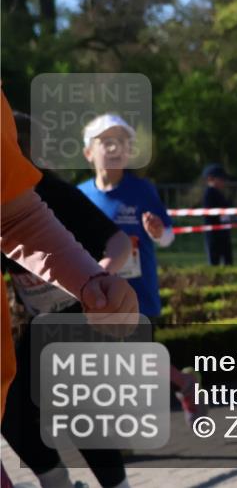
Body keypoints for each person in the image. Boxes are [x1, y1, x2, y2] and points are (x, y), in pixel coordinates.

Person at [0, 89, 138, 488]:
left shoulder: (57, 193)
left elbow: (115, 242)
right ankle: (55, 479)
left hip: (77, 317)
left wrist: (95, 281)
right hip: (38, 323)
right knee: (14, 410)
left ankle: (116, 484)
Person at [77, 113, 206, 425]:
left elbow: (168, 238)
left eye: (121, 142)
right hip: (98, 289)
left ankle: (176, 389)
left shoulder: (142, 190)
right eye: (106, 142)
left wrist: (158, 231)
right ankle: (184, 383)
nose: (114, 148)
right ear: (88, 152)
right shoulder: (80, 195)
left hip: (137, 287)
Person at [201, 163, 233, 266]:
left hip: (223, 231)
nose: (223, 182)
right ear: (211, 179)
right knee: (214, 259)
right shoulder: (209, 194)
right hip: (214, 233)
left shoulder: (219, 194)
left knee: (227, 258)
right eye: (221, 179)